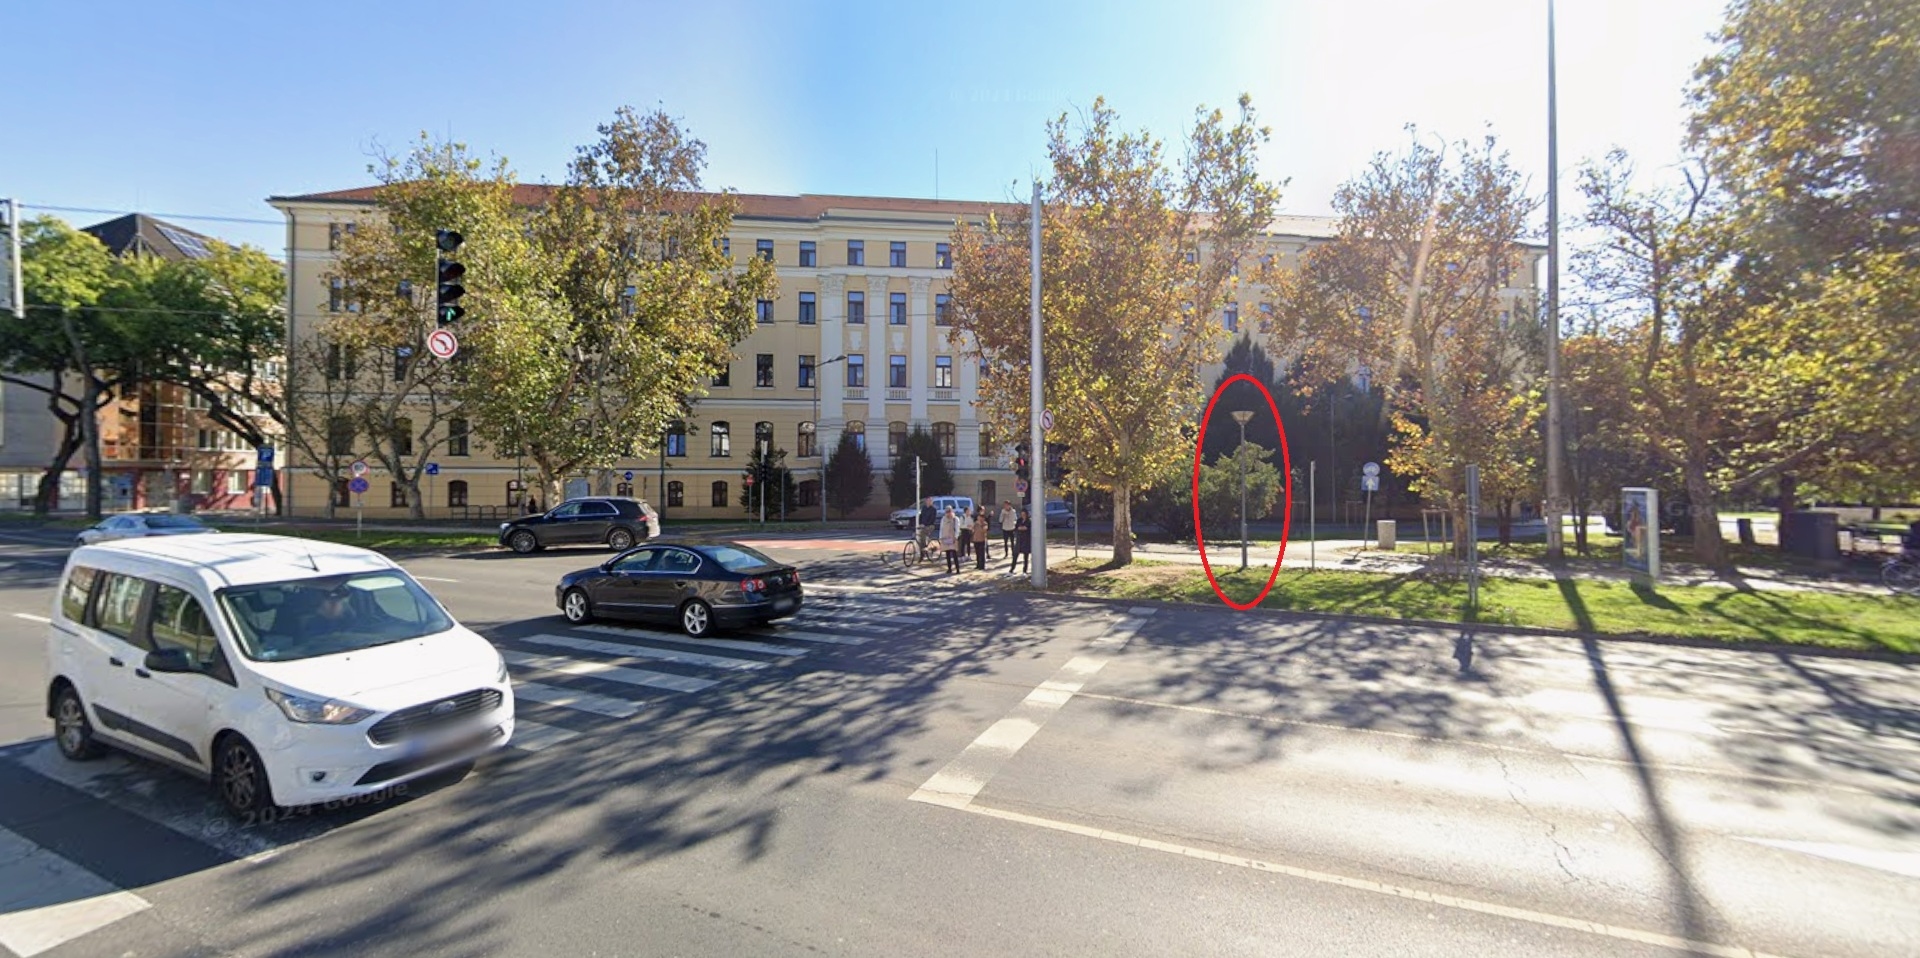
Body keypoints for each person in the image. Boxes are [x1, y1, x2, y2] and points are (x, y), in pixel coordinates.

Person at [939, 505, 962, 574]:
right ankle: (949, 568)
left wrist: (956, 537)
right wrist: (940, 537)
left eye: (949, 511)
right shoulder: (943, 519)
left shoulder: (955, 519)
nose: (948, 513)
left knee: (954, 554)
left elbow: (957, 529)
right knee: (947, 554)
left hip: (953, 538)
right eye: (947, 511)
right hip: (945, 538)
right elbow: (941, 528)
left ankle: (957, 569)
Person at [1008, 510, 1031, 576]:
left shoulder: (1029, 521)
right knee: (1015, 555)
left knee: (1025, 557)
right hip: (1019, 540)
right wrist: (1020, 528)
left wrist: (1021, 528)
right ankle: (1011, 570)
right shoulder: (1019, 520)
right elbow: (1016, 528)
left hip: (1026, 541)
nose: (1023, 515)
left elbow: (1026, 528)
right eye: (1022, 514)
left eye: (1024, 514)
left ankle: (1024, 571)